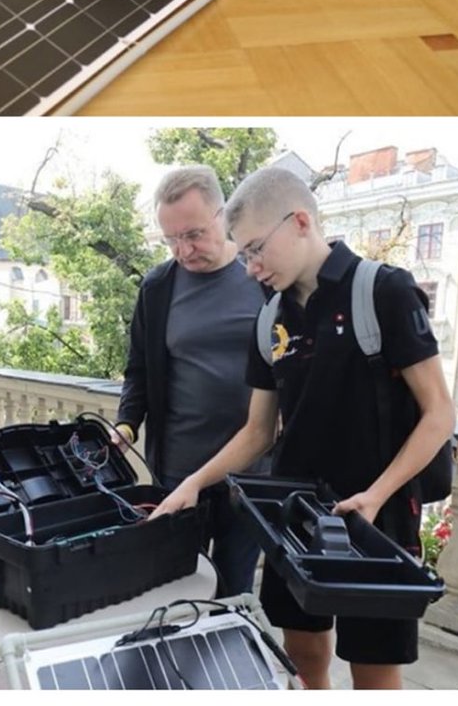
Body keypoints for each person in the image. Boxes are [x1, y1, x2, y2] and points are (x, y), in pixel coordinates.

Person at [152, 166, 456, 690]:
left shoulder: (384, 291)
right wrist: (193, 484)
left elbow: (439, 414)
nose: (248, 268)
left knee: (374, 669)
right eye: (242, 253)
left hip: (376, 522)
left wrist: (375, 496)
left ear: (299, 222)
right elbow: (258, 432)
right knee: (303, 654)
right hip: (294, 516)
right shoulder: (270, 318)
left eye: (254, 250)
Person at [114, 165, 269, 596]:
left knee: (234, 591)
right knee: (174, 588)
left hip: (252, 475)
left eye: (194, 234)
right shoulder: (158, 286)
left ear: (223, 215)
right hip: (177, 473)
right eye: (171, 239)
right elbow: (139, 369)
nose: (183, 250)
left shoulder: (264, 274)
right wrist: (127, 422)